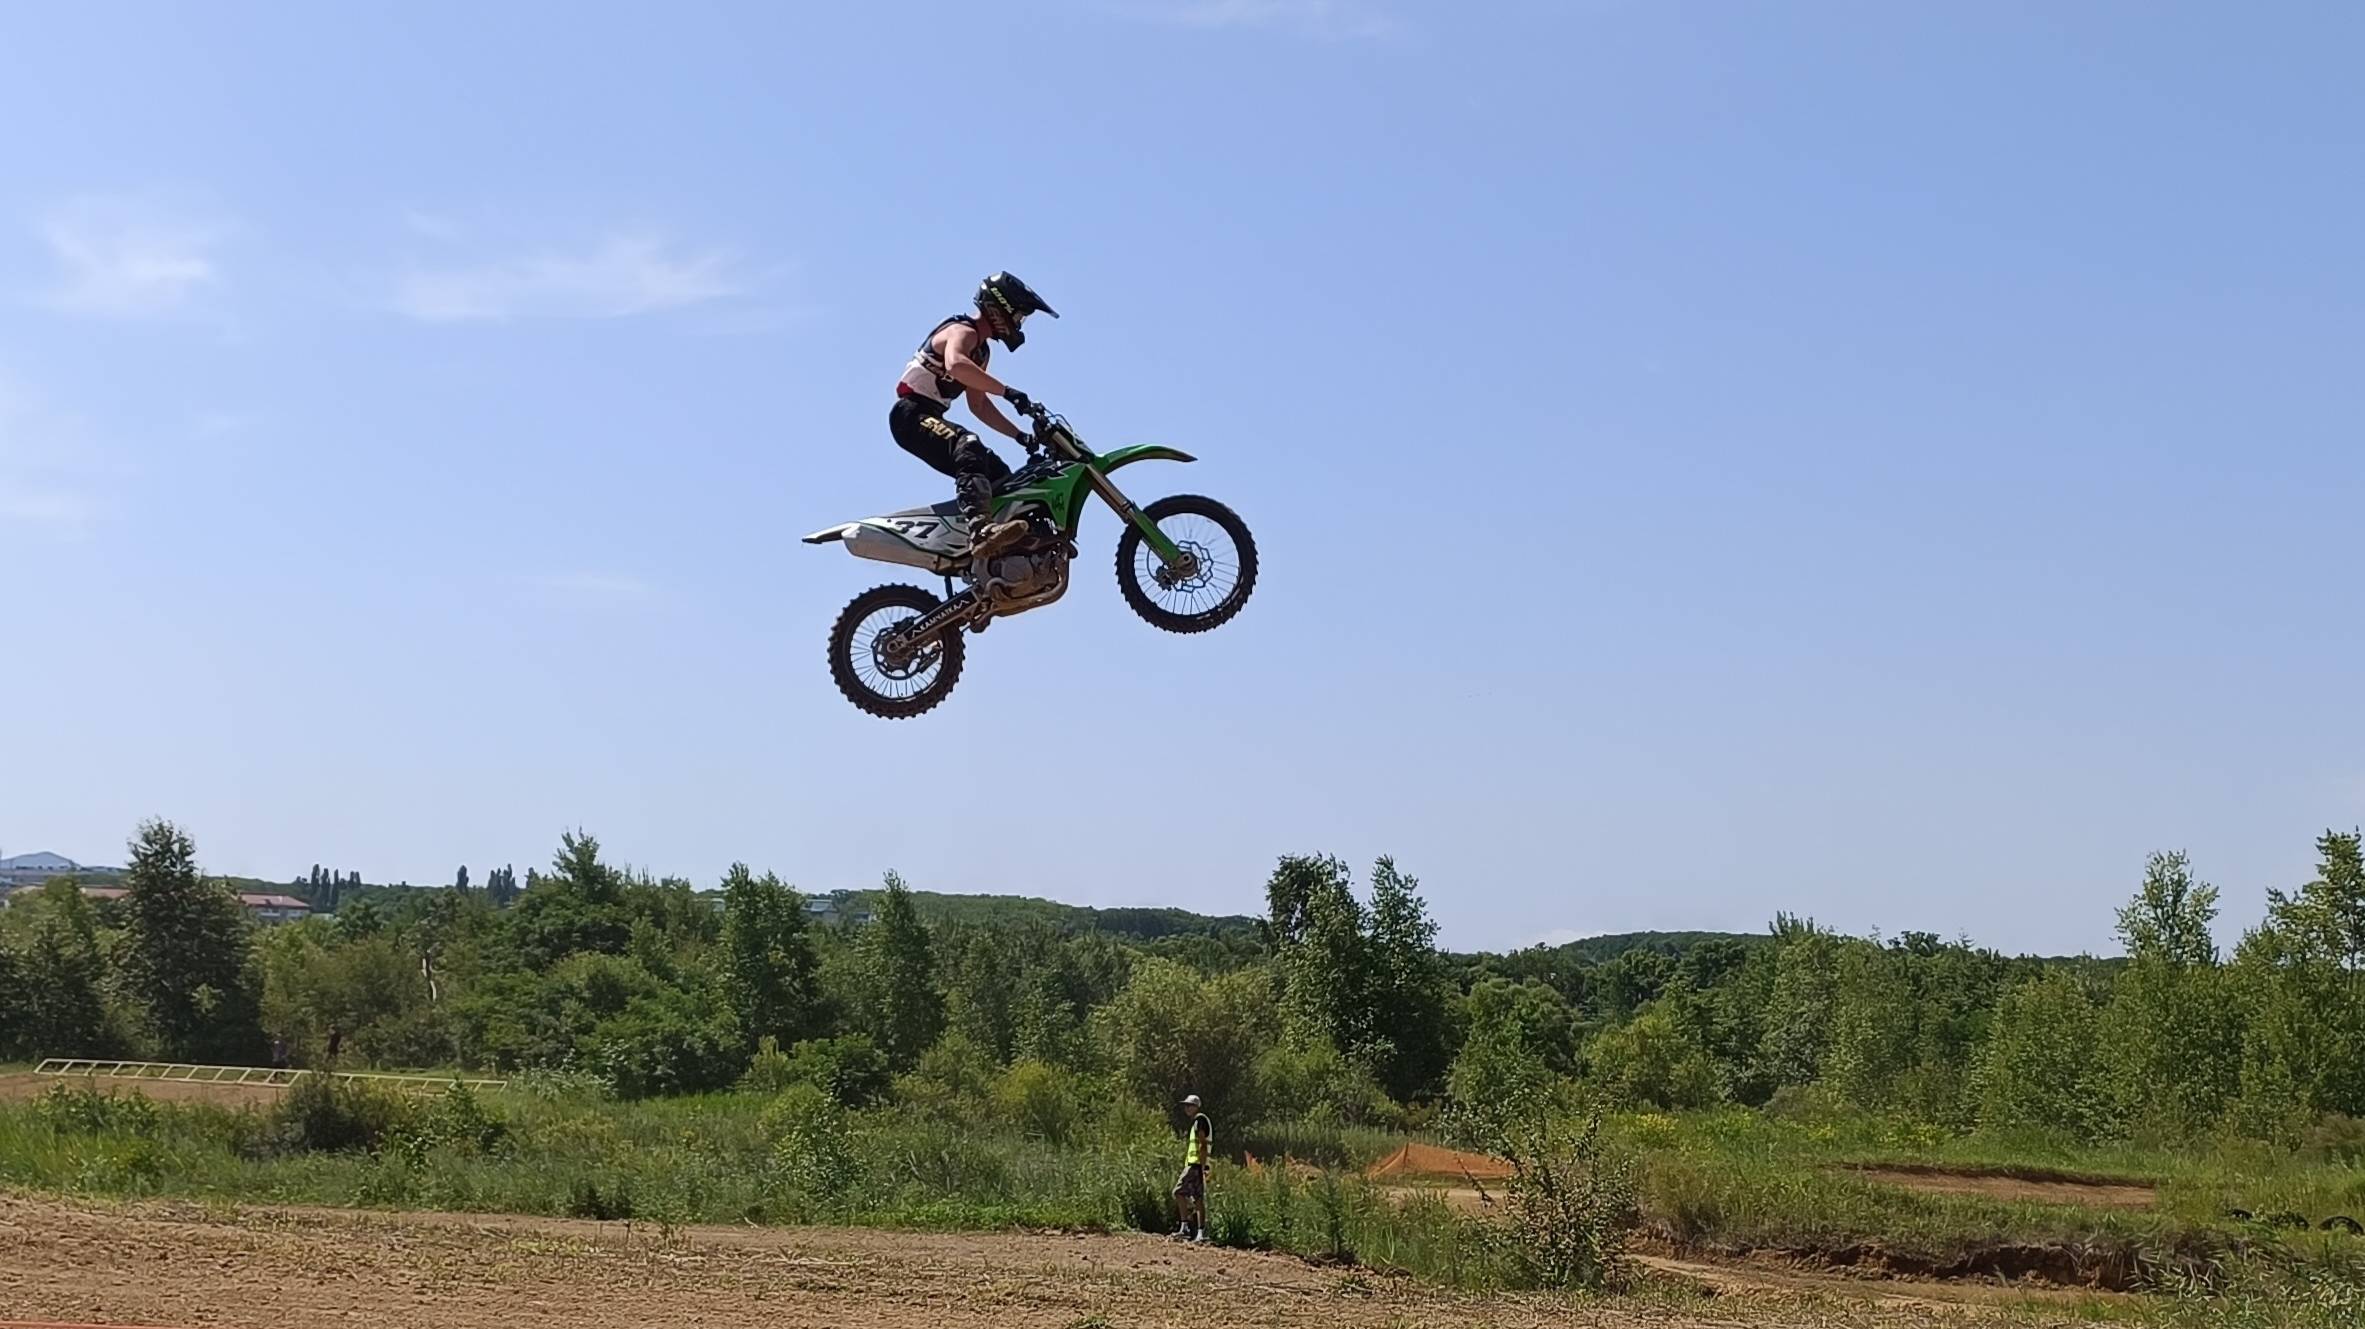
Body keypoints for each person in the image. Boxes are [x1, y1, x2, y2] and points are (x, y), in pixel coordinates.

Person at [890, 271, 1059, 560]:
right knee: (967, 445)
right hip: (910, 415)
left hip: (929, 415)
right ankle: (980, 530)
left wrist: (1020, 436)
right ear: (1002, 308)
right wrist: (1008, 392)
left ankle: (1003, 554)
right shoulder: (962, 331)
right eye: (1019, 316)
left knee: (999, 474)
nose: (1019, 324)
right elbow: (956, 365)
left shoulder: (981, 352)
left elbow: (978, 405)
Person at [1172, 1092, 1213, 1243]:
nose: (1186, 1108)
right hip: (1198, 1165)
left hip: (1195, 1165)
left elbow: (1202, 1145)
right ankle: (1200, 1233)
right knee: (1198, 1199)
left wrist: (1201, 1166)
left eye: (1189, 1105)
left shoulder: (1199, 1120)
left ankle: (1185, 1228)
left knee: (1178, 1191)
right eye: (1186, 1106)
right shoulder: (1199, 1121)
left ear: (1196, 1107)